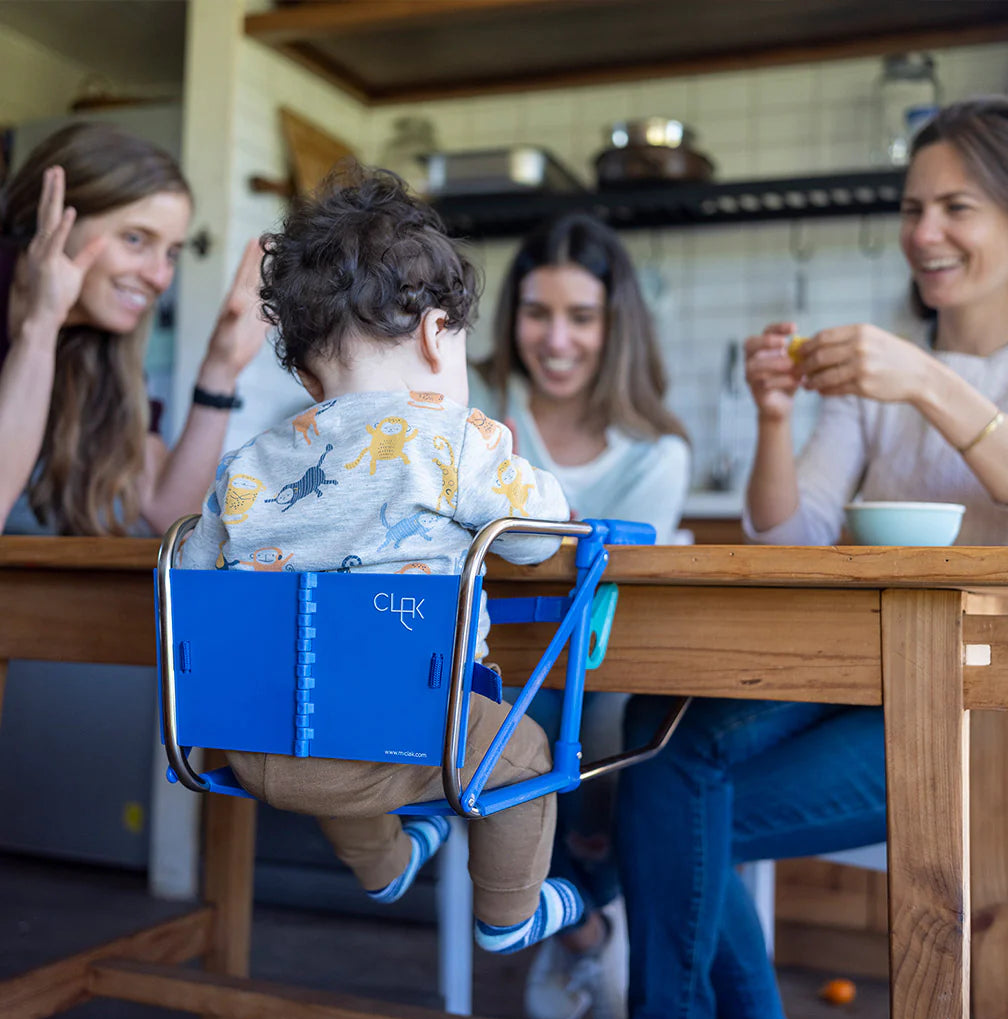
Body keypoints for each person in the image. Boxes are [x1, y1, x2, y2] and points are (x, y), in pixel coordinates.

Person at [616, 93, 1008, 1019]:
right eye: (913, 208)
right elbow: (791, 538)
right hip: (865, 671)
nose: (923, 233)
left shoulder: (910, 370)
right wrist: (774, 418)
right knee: (657, 732)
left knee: (664, 809)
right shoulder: (876, 378)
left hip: (990, 710)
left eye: (956, 208)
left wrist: (929, 380)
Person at [179, 168, 587, 956]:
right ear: (437, 335)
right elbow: (538, 538)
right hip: (398, 740)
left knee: (317, 697)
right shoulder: (455, 441)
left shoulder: (247, 464)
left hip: (254, 746)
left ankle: (386, 866)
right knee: (522, 751)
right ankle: (509, 916)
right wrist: (522, 473)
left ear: (306, 375)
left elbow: (195, 585)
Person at [472, 213, 691, 1019]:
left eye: (581, 317)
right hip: (485, 661)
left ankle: (582, 916)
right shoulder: (475, 406)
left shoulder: (657, 453)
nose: (556, 340)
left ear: (615, 325)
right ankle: (586, 930)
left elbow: (605, 589)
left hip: (595, 666)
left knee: (611, 730)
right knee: (486, 730)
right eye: (537, 313)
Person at [0, 121, 266, 536]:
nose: (160, 277)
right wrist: (42, 323)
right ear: (51, 224)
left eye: (172, 253)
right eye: (136, 240)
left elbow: (171, 516)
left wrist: (220, 371)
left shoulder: (100, 344)